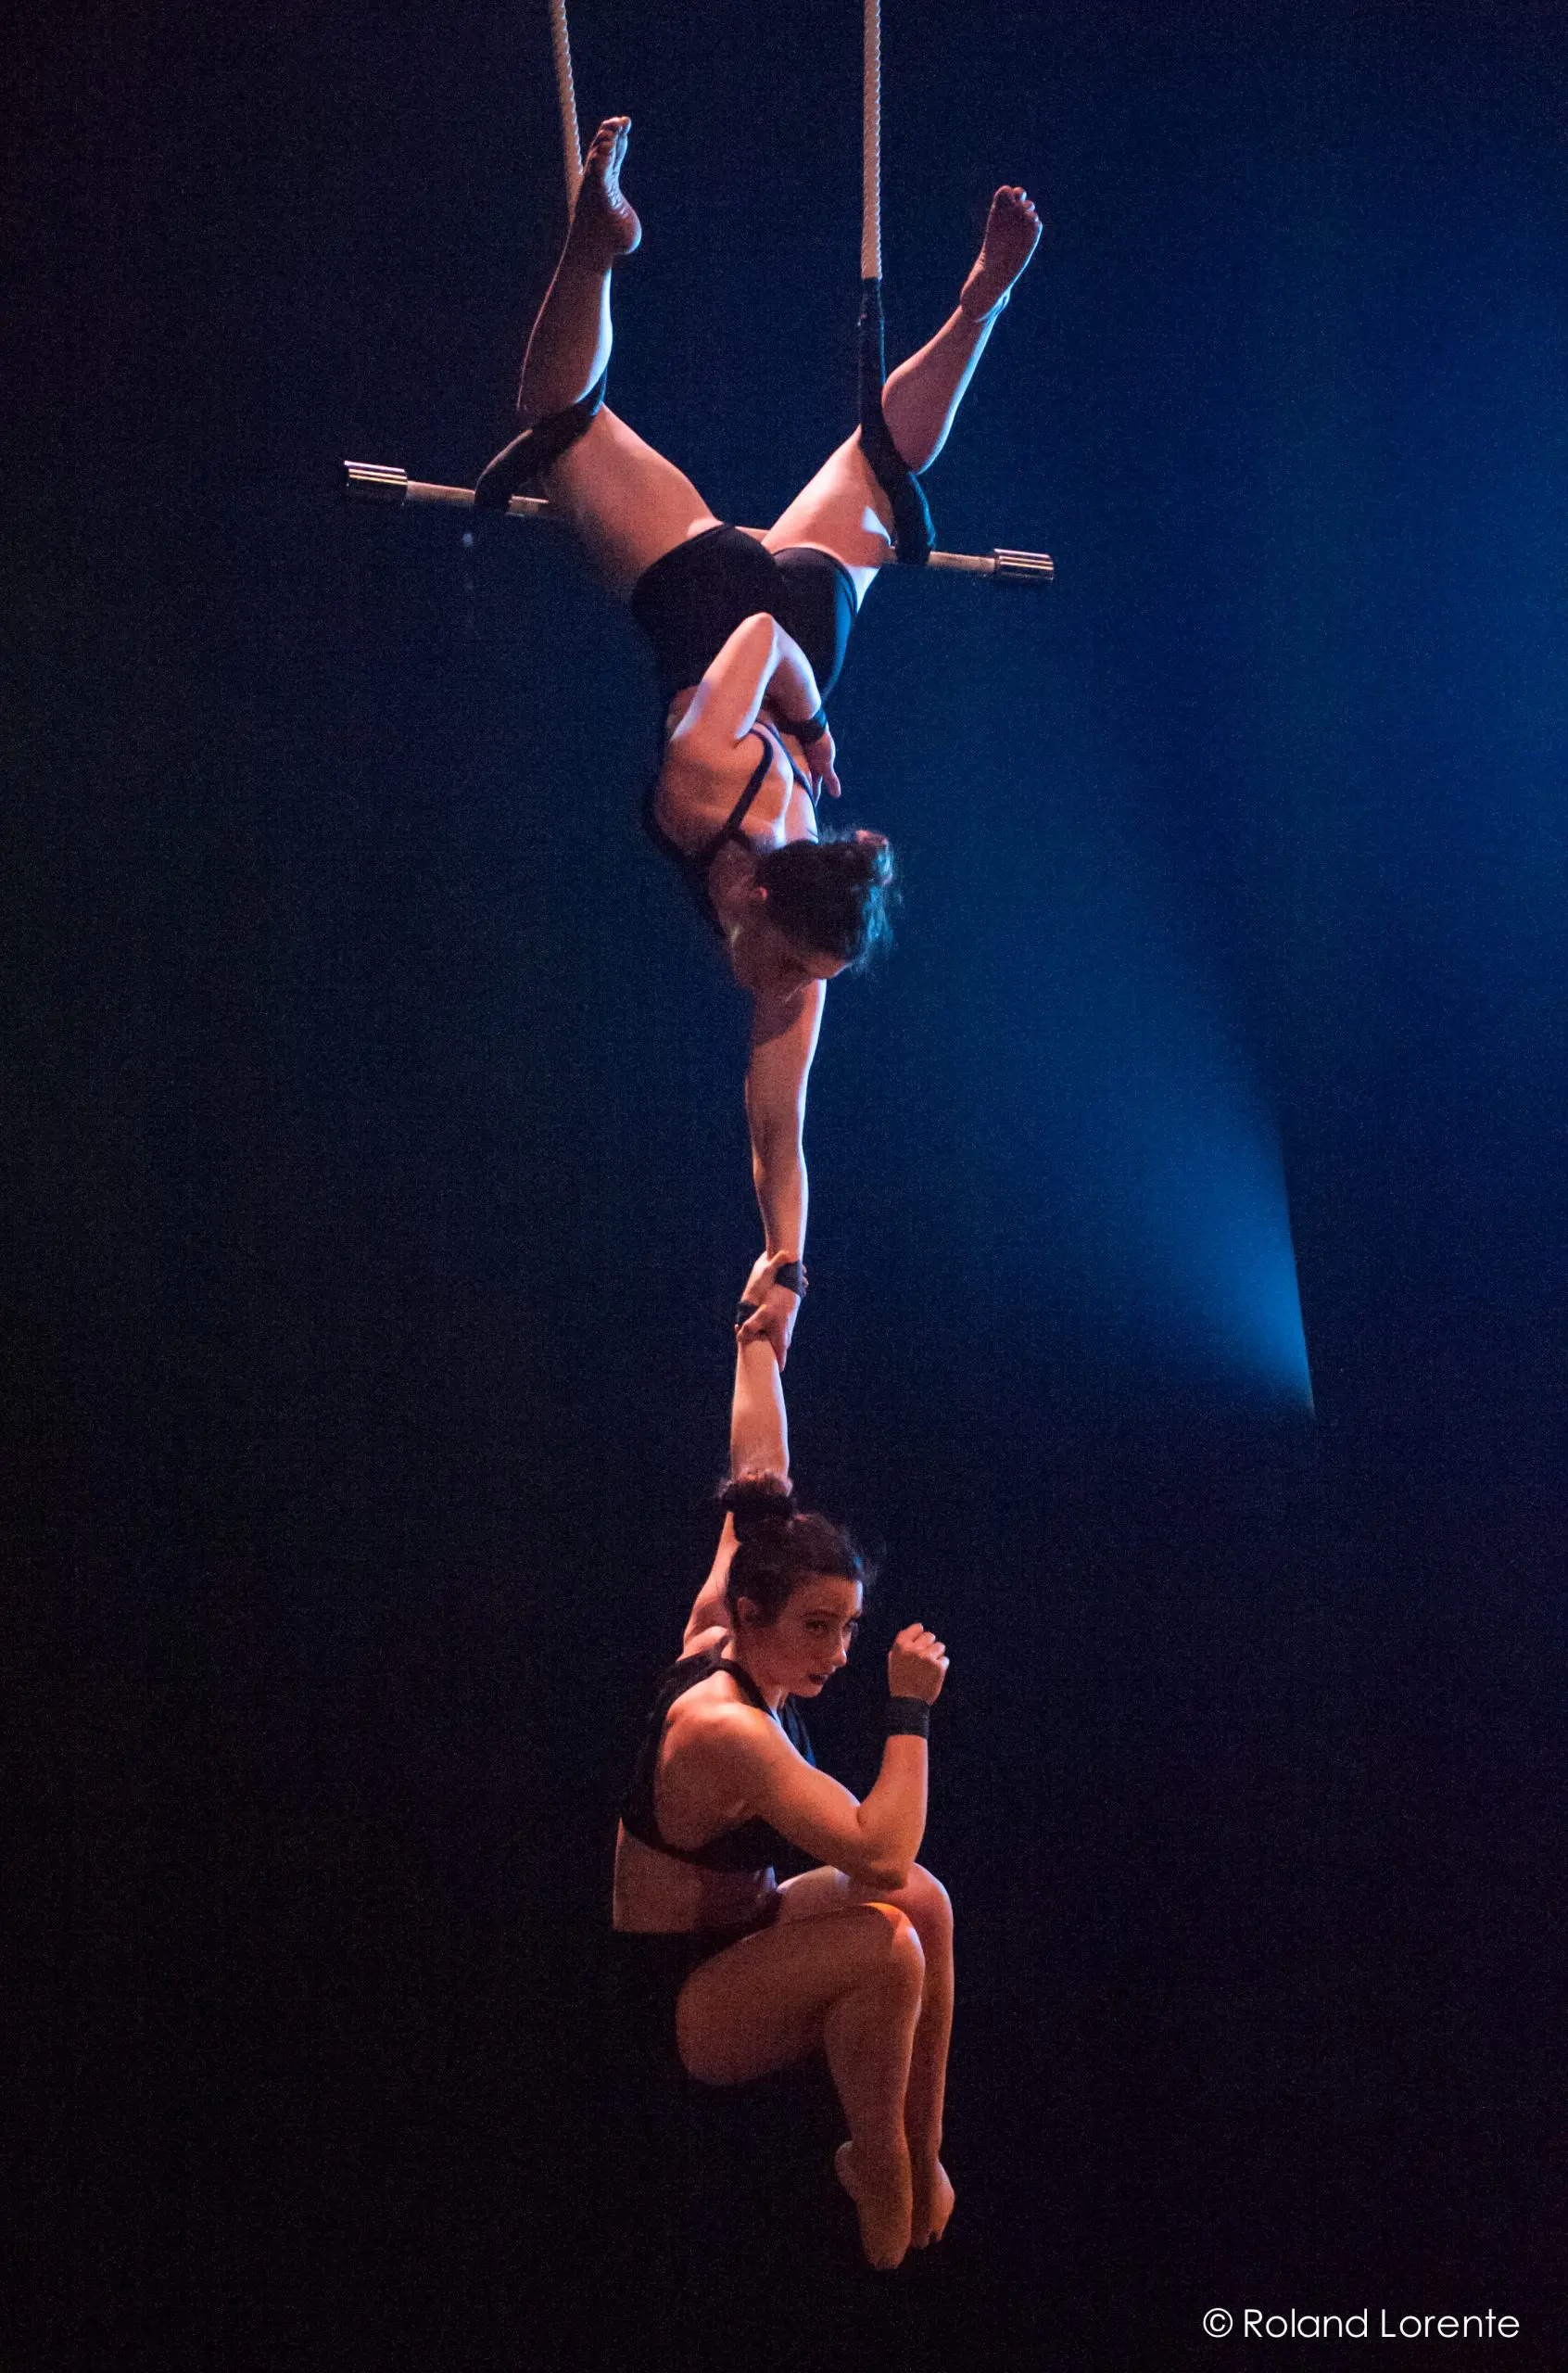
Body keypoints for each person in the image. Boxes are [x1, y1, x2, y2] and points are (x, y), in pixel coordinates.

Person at [507, 118, 1042, 1368]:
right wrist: (801, 712)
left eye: (796, 978)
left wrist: (786, 1265)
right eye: (788, 967)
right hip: (732, 612)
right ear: (748, 891)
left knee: (879, 468)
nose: (784, 991)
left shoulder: (799, 955)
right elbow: (749, 632)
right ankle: (595, 251)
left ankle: (979, 304)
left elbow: (776, 1128)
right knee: (552, 421)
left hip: (801, 628)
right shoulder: (706, 790)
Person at [611, 1253, 955, 2271]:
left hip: (750, 1922)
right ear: (751, 1616)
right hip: (680, 1997)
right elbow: (875, 1851)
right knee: (887, 1937)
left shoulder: (736, 1599)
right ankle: (878, 2159)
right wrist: (909, 1708)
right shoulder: (727, 1728)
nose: (838, 1654)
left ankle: (921, 2153)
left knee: (929, 1906)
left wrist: (767, 1322)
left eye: (850, 1629)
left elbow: (758, 1456)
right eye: (819, 1627)